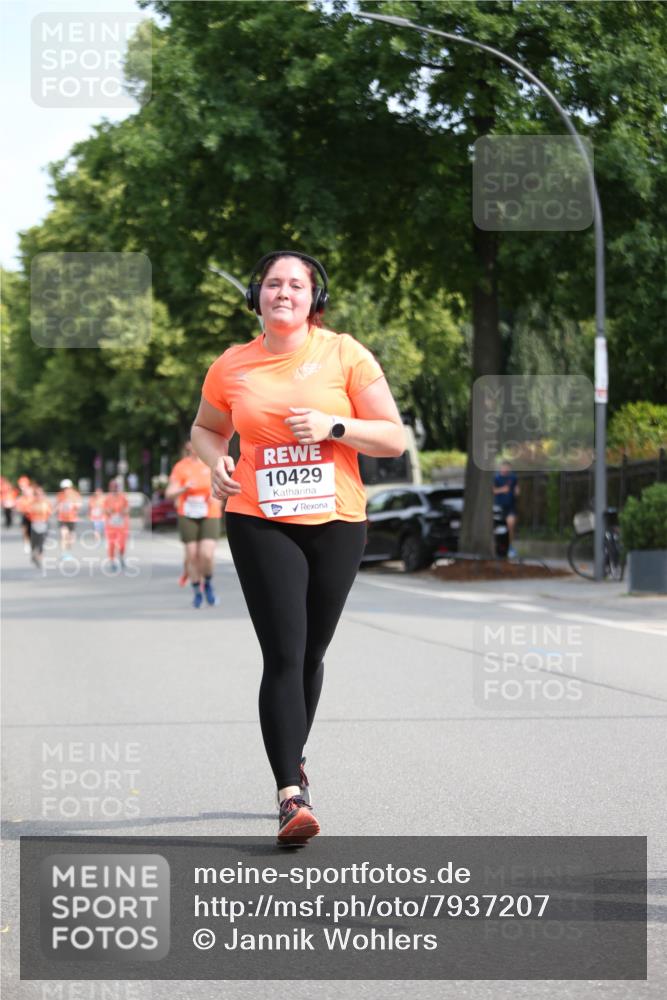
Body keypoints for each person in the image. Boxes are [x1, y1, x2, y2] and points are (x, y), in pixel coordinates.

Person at [191, 250, 405, 845]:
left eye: (297, 285)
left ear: (315, 298)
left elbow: (393, 437)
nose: (283, 292)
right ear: (257, 294)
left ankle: (294, 753)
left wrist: (336, 427)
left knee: (312, 651)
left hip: (337, 518)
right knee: (283, 652)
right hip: (260, 517)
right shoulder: (232, 365)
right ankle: (291, 794)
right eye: (273, 284)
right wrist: (218, 461)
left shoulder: (345, 354)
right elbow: (207, 428)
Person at [166, 441, 222, 607]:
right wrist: (183, 489)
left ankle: (209, 584)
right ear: (188, 446)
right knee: (192, 555)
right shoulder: (181, 467)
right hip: (188, 514)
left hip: (209, 512)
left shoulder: (211, 462)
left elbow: (221, 486)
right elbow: (169, 493)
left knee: (206, 554)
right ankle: (197, 591)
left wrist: (214, 496)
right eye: (192, 442)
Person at [493, 459, 520, 557]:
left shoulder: (513, 477)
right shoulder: (496, 477)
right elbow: (493, 490)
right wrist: (502, 490)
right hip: (499, 508)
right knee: (500, 529)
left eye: (507, 467)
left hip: (511, 507)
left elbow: (516, 488)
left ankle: (510, 547)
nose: (506, 469)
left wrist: (517, 492)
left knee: (510, 525)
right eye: (504, 467)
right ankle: (499, 547)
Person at [103, 479, 130, 570]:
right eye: (112, 487)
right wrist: (109, 511)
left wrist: (123, 512)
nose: (114, 488)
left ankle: (121, 557)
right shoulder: (107, 498)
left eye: (115, 486)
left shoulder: (123, 497)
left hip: (121, 524)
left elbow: (127, 508)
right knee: (112, 543)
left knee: (122, 544)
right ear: (110, 488)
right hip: (111, 525)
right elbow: (105, 509)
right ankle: (112, 561)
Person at [26, 485, 52, 568]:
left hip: (43, 524)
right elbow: (27, 513)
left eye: (41, 494)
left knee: (41, 543)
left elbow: (49, 512)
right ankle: (34, 555)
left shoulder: (46, 502)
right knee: (34, 543)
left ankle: (39, 558)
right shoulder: (32, 503)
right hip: (34, 524)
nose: (39, 496)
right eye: (37, 494)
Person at [55, 479, 82, 558]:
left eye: (67, 488)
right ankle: (64, 553)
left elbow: (79, 505)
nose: (66, 490)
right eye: (64, 488)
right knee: (63, 535)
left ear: (70, 487)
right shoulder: (60, 495)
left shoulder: (75, 494)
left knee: (71, 538)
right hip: (62, 519)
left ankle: (68, 550)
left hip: (72, 519)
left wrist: (74, 505)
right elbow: (57, 505)